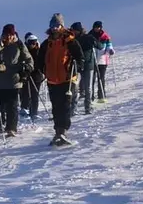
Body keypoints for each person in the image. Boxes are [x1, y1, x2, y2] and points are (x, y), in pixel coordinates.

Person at [38, 13, 83, 146]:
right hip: (52, 79)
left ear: (62, 26)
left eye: (58, 25)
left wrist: (75, 69)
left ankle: (62, 131)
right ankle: (58, 132)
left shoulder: (70, 41)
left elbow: (80, 58)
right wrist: (43, 70)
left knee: (65, 106)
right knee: (56, 107)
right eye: (53, 26)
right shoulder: (47, 43)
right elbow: (40, 60)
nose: (55, 28)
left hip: (67, 80)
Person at [0, 24, 32, 138]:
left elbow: (29, 59)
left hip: (15, 81)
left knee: (12, 106)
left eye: (11, 35)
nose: (8, 37)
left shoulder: (19, 45)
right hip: (0, 81)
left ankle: (11, 128)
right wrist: (0, 46)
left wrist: (26, 68)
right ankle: (0, 124)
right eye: (6, 35)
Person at [71, 21, 98, 114]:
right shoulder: (72, 40)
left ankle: (88, 107)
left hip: (88, 65)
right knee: (75, 87)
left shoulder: (88, 37)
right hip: (77, 66)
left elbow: (100, 46)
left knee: (88, 88)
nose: (73, 32)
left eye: (74, 30)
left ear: (78, 30)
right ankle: (73, 109)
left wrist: (94, 42)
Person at [21, 33, 45, 122]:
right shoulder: (25, 51)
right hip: (27, 75)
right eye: (30, 42)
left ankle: (34, 112)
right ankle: (25, 110)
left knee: (35, 94)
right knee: (26, 94)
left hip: (36, 76)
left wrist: (42, 72)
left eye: (34, 42)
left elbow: (41, 63)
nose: (32, 45)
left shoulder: (39, 51)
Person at [90, 21, 114, 102]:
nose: (97, 28)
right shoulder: (90, 35)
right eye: (95, 27)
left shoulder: (105, 36)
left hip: (102, 59)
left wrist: (110, 50)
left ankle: (101, 96)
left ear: (101, 27)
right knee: (91, 79)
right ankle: (91, 96)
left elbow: (109, 45)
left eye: (98, 27)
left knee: (101, 78)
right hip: (92, 60)